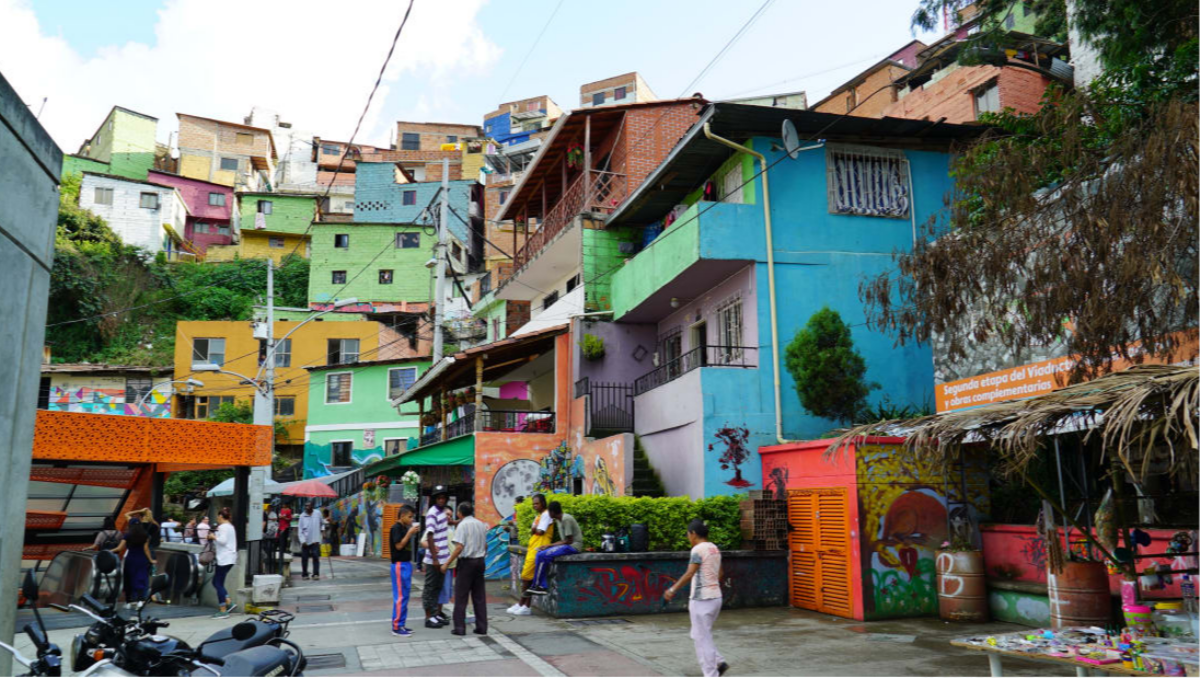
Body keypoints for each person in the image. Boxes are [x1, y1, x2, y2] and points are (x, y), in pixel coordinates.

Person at [664, 519, 728, 678]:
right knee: (699, 633)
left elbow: (689, 573)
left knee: (702, 638)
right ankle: (719, 661)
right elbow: (720, 574)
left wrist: (672, 589)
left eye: (688, 534)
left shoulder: (697, 550)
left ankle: (711, 673)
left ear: (693, 534)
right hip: (715, 598)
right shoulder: (714, 548)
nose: (687, 537)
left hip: (702, 600)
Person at [443, 502, 488, 636]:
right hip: (480, 561)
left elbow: (459, 547)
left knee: (461, 596)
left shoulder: (462, 526)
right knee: (479, 596)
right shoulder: (480, 524)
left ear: (459, 512)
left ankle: (460, 628)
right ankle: (482, 627)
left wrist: (447, 563)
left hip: (467, 563)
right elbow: (485, 545)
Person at [508, 494, 553, 616]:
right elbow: (534, 529)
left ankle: (524, 604)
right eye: (533, 503)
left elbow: (539, 531)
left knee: (526, 577)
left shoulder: (546, 515)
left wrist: (534, 529)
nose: (534, 506)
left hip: (539, 546)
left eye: (537, 503)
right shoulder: (539, 516)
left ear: (543, 503)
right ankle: (523, 604)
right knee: (528, 577)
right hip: (533, 547)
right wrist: (534, 529)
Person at [528, 501, 583, 596]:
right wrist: (547, 546)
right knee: (540, 554)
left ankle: (538, 585)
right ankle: (541, 586)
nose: (548, 514)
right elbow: (564, 540)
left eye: (549, 512)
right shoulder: (558, 520)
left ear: (552, 512)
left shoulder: (566, 519)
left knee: (543, 555)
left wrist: (549, 545)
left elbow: (569, 541)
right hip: (566, 545)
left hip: (573, 547)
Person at [421, 487, 451, 628]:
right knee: (430, 588)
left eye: (443, 497)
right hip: (435, 559)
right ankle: (429, 617)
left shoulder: (443, 512)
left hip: (443, 558)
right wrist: (434, 558)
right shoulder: (432, 513)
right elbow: (430, 535)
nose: (441, 500)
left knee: (438, 587)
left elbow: (446, 525)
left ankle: (435, 614)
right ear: (434, 499)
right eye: (438, 497)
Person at [389, 505, 421, 637]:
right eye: (410, 516)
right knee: (401, 596)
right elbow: (399, 545)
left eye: (412, 517)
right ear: (402, 516)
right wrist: (410, 533)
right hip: (399, 564)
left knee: (405, 596)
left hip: (405, 564)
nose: (411, 519)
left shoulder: (403, 527)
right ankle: (396, 626)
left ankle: (401, 624)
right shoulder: (396, 528)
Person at [112, 521, 153, 609]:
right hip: (142, 559)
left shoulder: (128, 535)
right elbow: (146, 549)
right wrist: (150, 559)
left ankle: (129, 602)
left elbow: (119, 548)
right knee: (141, 578)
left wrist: (108, 551)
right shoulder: (145, 535)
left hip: (131, 559)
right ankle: (140, 601)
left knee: (129, 579)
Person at [207, 507, 239, 619]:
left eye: (218, 516)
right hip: (231, 557)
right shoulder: (231, 527)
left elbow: (222, 541)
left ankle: (223, 609)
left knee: (217, 583)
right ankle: (228, 602)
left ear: (221, 516)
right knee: (217, 582)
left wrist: (213, 536)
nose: (217, 518)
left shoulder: (222, 527)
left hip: (224, 558)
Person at [298, 503, 323, 580]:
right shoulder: (302, 516)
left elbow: (322, 524)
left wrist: (322, 532)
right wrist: (302, 541)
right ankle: (304, 574)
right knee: (304, 558)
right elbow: (300, 530)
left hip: (315, 539)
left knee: (315, 556)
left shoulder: (318, 513)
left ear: (312, 506)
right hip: (305, 540)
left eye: (308, 505)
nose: (307, 507)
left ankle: (316, 574)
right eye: (305, 506)